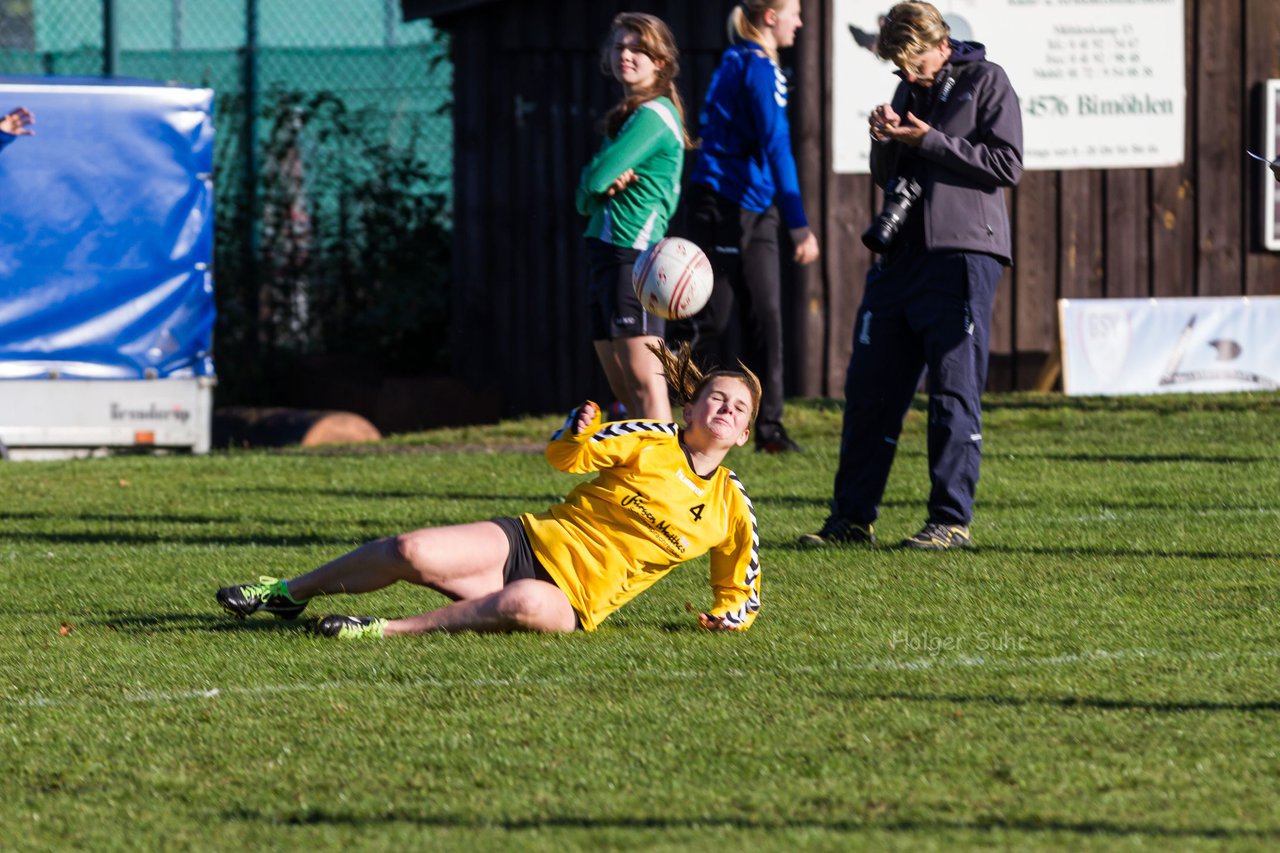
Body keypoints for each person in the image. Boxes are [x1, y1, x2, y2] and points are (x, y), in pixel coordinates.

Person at [215, 343, 763, 638]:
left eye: (738, 409)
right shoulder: (649, 439)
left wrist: (727, 615)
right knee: (410, 549)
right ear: (689, 408)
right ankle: (288, 593)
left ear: (742, 435)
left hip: (572, 601)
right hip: (526, 543)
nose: (725, 410)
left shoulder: (732, 507)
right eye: (716, 399)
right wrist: (574, 432)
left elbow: (741, 588)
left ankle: (383, 629)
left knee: (524, 602)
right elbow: (565, 458)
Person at [800, 2, 1022, 550]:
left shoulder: (987, 81)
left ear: (941, 43)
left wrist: (928, 140)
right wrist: (885, 141)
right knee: (869, 389)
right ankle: (850, 520)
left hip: (964, 256)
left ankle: (949, 521)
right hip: (901, 257)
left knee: (953, 391)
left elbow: (1007, 164)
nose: (907, 75)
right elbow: (888, 178)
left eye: (914, 63)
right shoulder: (907, 89)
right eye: (898, 67)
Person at [681, 0, 818, 454]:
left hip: (748, 207)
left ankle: (769, 428)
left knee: (763, 316)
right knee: (715, 318)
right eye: (794, 12)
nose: (800, 22)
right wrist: (798, 224)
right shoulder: (754, 66)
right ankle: (681, 419)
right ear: (770, 17)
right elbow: (776, 144)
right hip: (728, 207)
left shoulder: (745, 62)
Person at [576, 13, 691, 421]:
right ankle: (641, 476)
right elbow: (584, 196)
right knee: (624, 388)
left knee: (645, 384)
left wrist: (597, 184)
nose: (626, 54)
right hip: (606, 255)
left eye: (638, 48)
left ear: (660, 60)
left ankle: (669, 480)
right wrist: (595, 186)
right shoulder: (628, 116)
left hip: (633, 258)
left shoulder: (654, 115)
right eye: (620, 47)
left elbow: (597, 178)